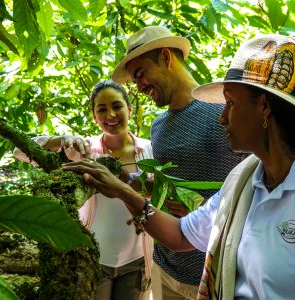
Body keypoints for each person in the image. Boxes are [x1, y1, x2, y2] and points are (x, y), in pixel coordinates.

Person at [63, 34, 295, 299]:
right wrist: (121, 190)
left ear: (264, 108)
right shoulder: (243, 184)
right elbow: (181, 235)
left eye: (230, 103)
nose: (222, 116)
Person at [112, 26, 244, 299]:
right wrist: (119, 180)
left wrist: (207, 206)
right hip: (166, 268)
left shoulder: (225, 110)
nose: (139, 86)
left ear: (165, 57)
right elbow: (163, 186)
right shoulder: (158, 127)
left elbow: (258, 181)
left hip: (215, 272)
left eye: (140, 74)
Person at [14, 80, 153, 300]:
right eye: (102, 109)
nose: (111, 114)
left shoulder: (148, 149)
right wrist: (63, 140)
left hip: (136, 261)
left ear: (130, 109)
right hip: (95, 259)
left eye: (117, 106)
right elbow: (19, 150)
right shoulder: (84, 150)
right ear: (94, 116)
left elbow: (159, 194)